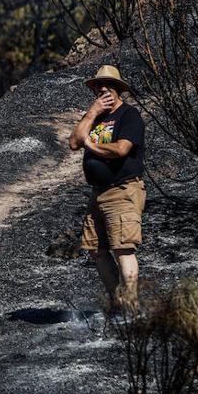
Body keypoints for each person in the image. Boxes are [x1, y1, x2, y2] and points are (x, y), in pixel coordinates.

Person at [67, 65, 147, 313]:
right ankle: (117, 303)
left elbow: (121, 150)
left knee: (123, 247)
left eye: (108, 86)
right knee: (96, 250)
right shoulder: (96, 116)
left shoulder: (128, 115)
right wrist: (91, 113)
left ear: (118, 89)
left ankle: (132, 307)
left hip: (122, 189)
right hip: (98, 192)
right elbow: (73, 142)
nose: (103, 90)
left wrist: (90, 144)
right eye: (99, 87)